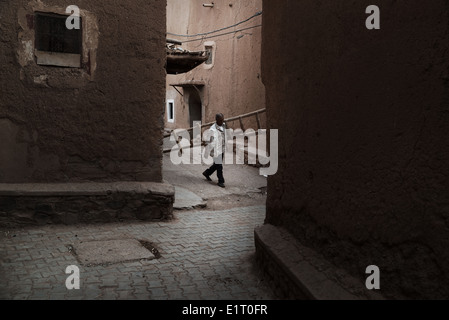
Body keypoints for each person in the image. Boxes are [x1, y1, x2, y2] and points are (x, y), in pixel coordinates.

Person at [203, 113, 227, 188]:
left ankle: (207, 173)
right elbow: (209, 140)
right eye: (220, 120)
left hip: (222, 148)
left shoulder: (223, 125)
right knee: (219, 165)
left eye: (222, 120)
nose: (222, 121)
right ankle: (221, 181)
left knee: (216, 164)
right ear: (216, 120)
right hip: (216, 149)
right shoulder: (212, 129)